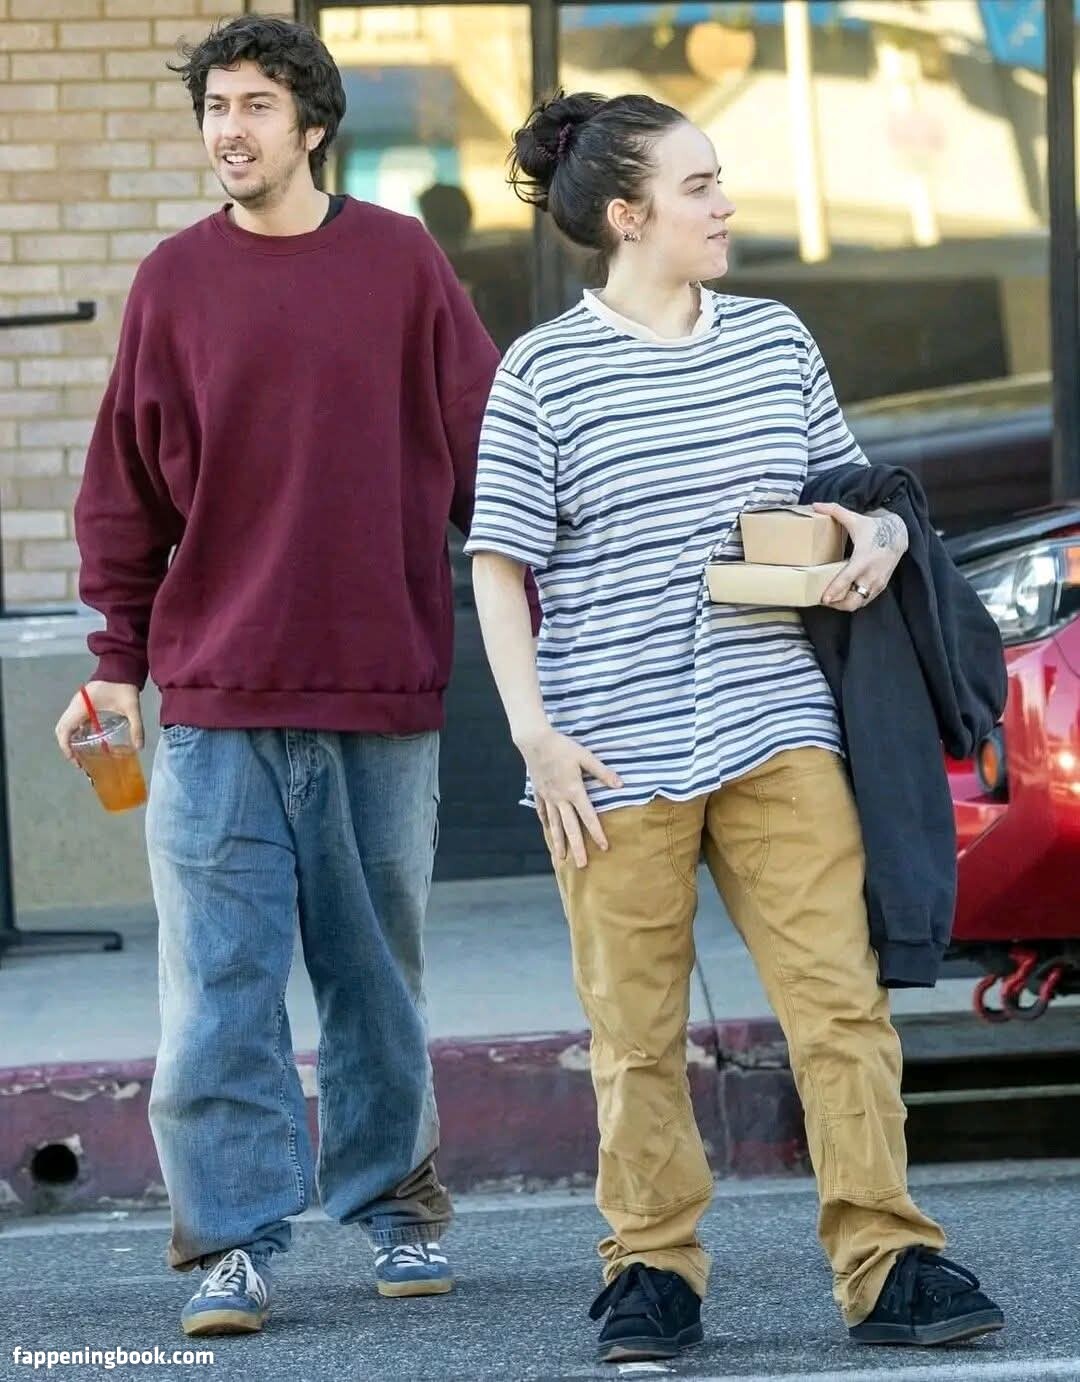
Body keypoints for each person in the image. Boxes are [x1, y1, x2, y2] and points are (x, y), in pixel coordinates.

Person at [466, 90, 1005, 1364]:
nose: (725, 205)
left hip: (778, 722)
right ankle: (651, 1269)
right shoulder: (543, 372)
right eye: (700, 185)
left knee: (840, 1003)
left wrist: (875, 540)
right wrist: (535, 737)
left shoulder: (772, 339)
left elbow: (848, 491)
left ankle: (889, 1258)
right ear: (626, 213)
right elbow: (498, 565)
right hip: (610, 748)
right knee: (636, 1031)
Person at [55, 13, 533, 1339]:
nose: (231, 129)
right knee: (220, 986)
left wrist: (551, 628)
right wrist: (116, 664)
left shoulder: (401, 263)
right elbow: (124, 492)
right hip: (213, 701)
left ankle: (393, 1206)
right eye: (216, 106)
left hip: (380, 691)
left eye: (257, 104)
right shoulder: (172, 282)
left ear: (314, 125)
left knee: (375, 978)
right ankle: (230, 1239)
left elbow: (489, 456)